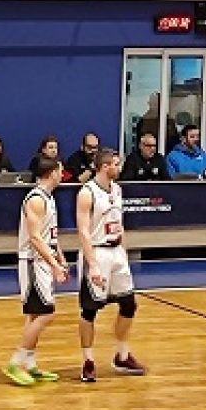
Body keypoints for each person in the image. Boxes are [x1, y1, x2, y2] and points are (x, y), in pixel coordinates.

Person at [74, 148, 147, 382]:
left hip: (116, 251)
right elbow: (83, 231)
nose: (120, 167)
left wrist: (124, 251)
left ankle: (122, 355)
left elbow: (119, 223)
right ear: (105, 167)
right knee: (90, 310)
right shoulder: (87, 192)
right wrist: (92, 264)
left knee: (129, 304)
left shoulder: (117, 189)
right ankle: (88, 361)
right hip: (97, 251)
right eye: (116, 164)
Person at [4, 155, 68, 386]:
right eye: (60, 170)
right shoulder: (36, 199)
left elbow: (48, 234)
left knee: (34, 315)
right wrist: (54, 264)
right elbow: (34, 237)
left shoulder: (48, 198)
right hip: (33, 262)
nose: (63, 174)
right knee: (46, 313)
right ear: (51, 173)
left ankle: (29, 365)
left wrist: (59, 257)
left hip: (44, 259)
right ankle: (15, 362)